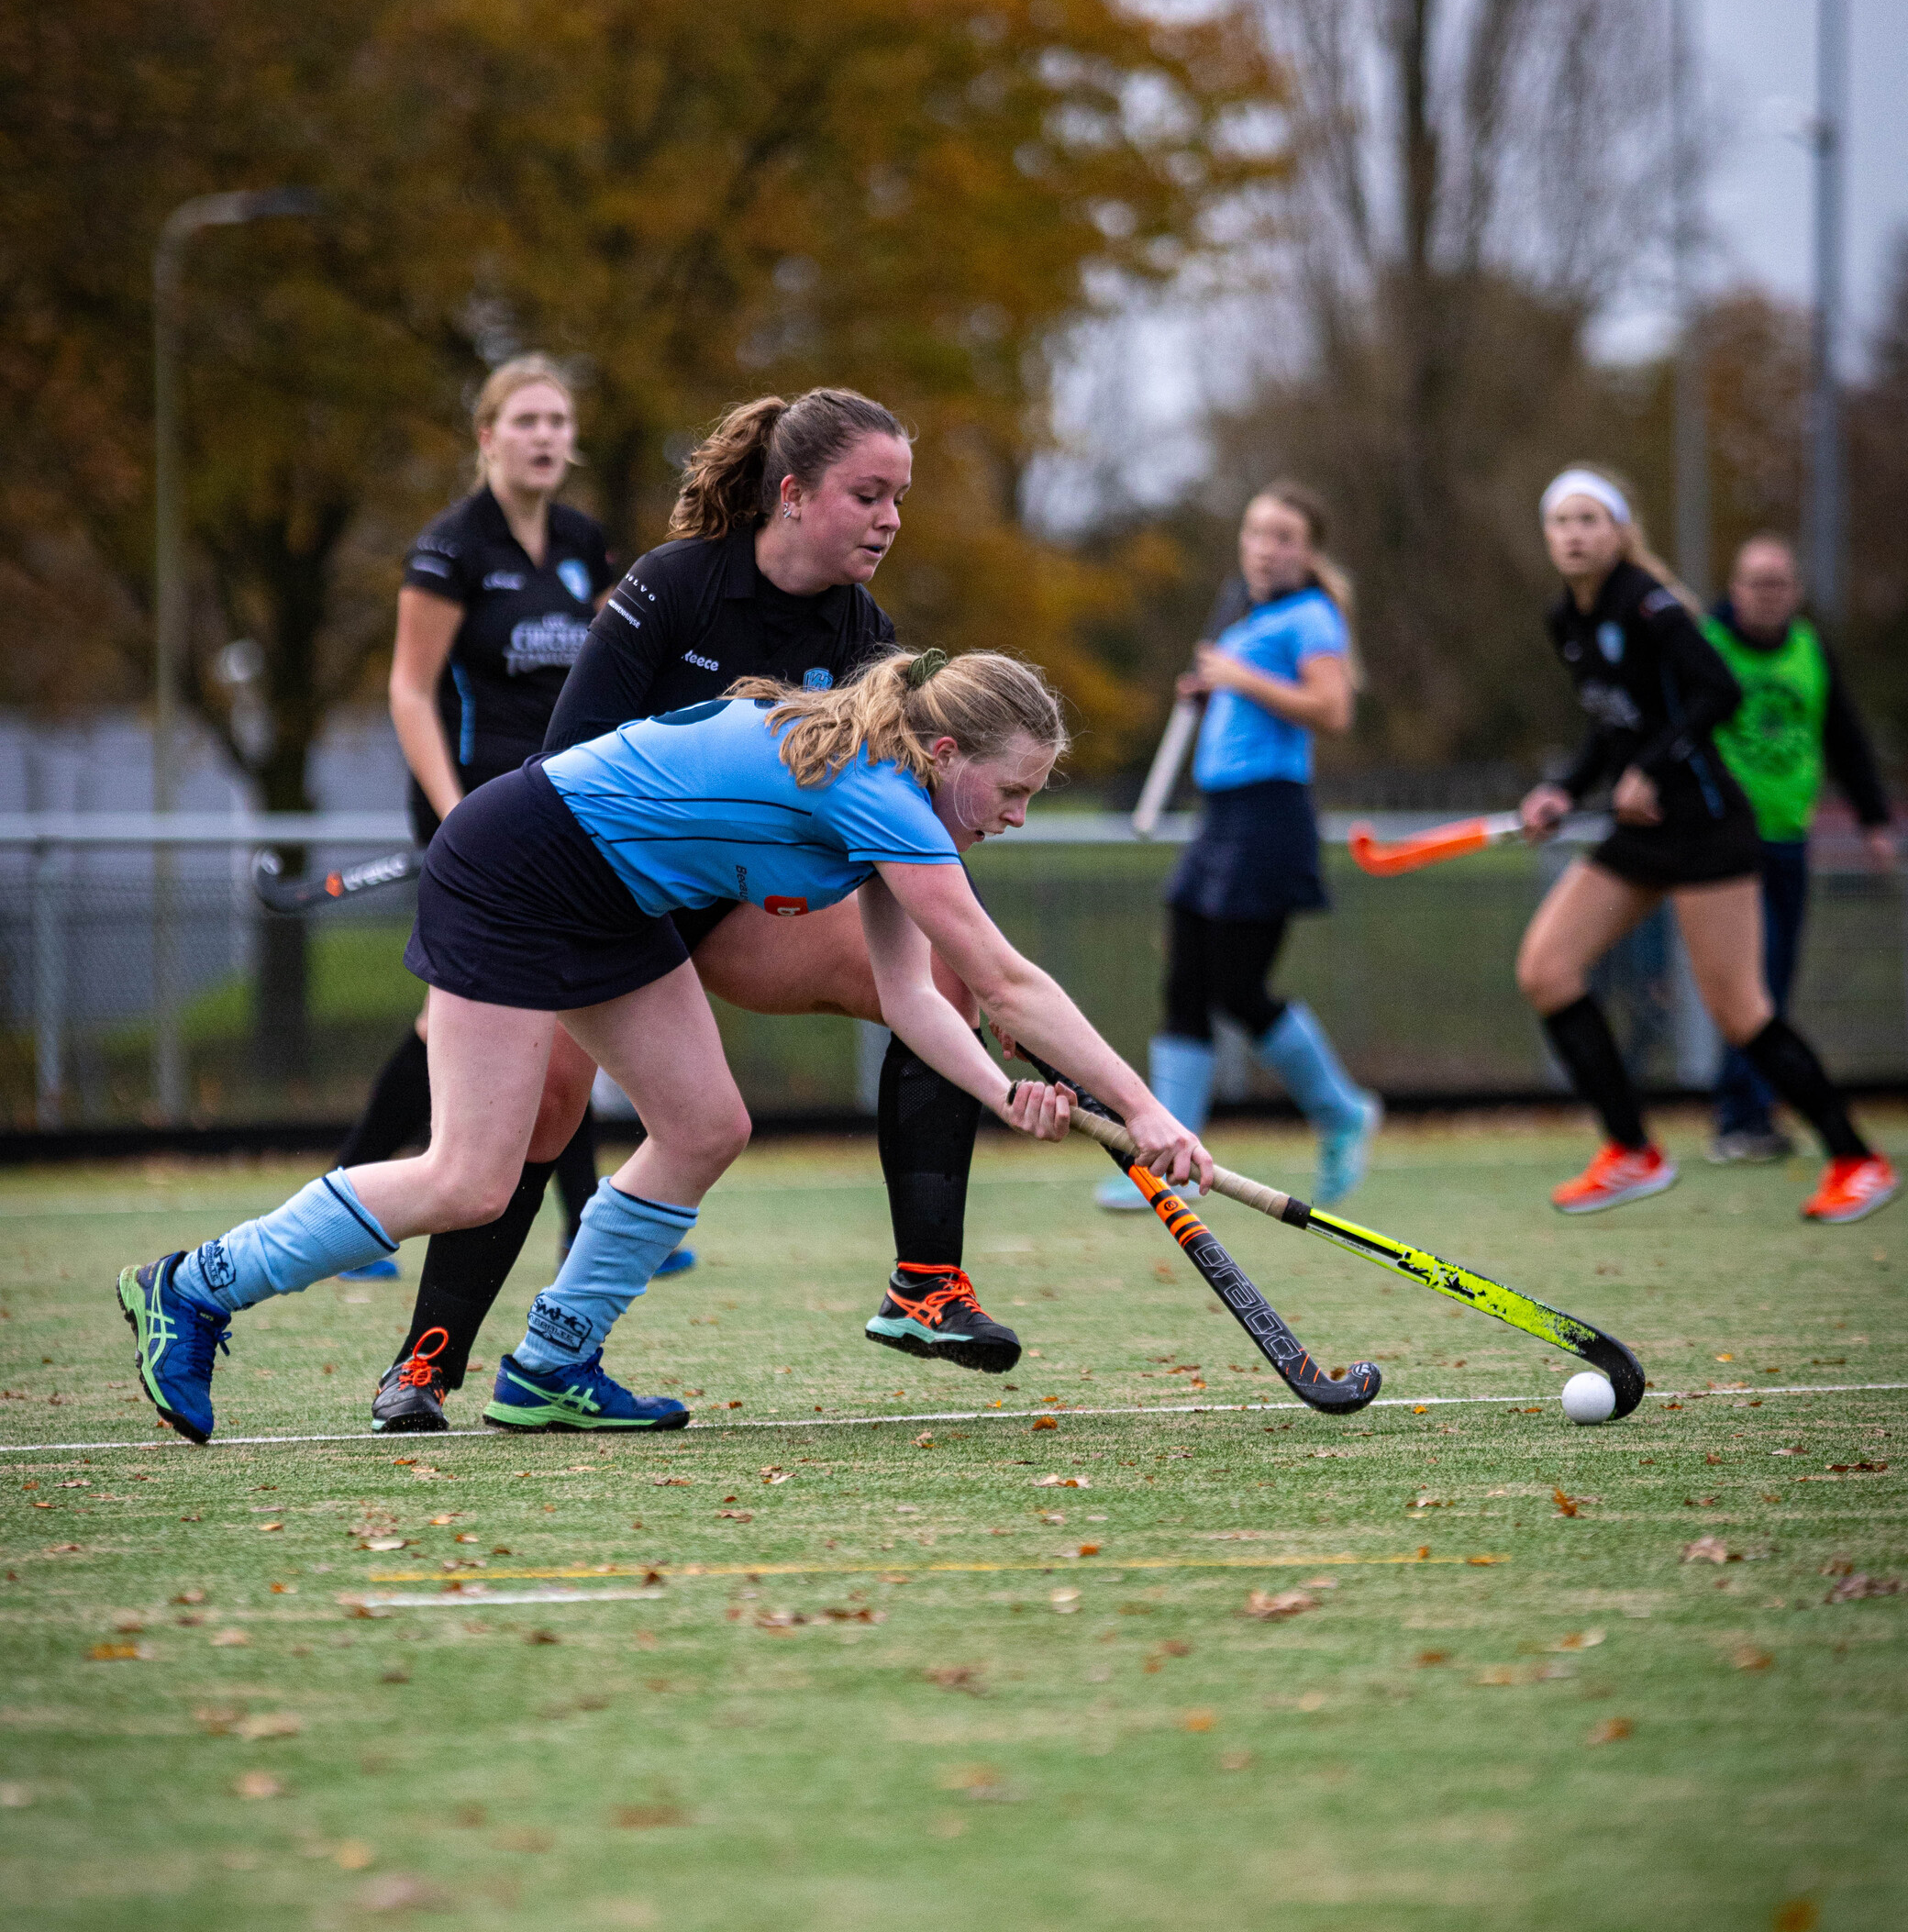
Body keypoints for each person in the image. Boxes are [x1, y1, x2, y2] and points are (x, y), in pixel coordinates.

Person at [116, 651, 1213, 1446]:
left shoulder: (893, 795)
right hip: (515, 875)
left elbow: (921, 996)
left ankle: (552, 1362)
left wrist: (995, 1087)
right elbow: (1009, 978)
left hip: (608, 900)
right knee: (469, 1176)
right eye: (1011, 790)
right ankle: (194, 1285)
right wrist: (1151, 1113)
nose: (1017, 815)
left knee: (702, 1127)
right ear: (942, 753)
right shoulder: (879, 786)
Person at [367, 387, 1026, 1439]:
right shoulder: (670, 587)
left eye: (901, 497)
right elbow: (570, 762)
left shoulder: (867, 632)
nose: (892, 519)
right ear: (795, 494)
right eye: (870, 494)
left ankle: (926, 1286)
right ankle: (425, 1367)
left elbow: (884, 811)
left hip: (726, 905)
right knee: (540, 1109)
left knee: (943, 981)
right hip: (602, 886)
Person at [1514, 467, 1897, 1225]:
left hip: (1707, 829)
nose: (1575, 534)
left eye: (1591, 519)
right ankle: (1632, 1150)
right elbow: (1611, 721)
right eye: (1562, 521)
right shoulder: (1568, 619)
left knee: (1741, 1013)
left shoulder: (1649, 605)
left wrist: (1653, 769)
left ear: (1620, 532)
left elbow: (1718, 689)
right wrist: (1566, 787)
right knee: (1546, 970)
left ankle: (1858, 1159)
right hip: (1640, 835)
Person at [330, 353, 627, 1281]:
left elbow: (617, 676)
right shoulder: (453, 546)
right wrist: (455, 816)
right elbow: (410, 691)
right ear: (487, 436)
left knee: (522, 1015)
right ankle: (577, 1220)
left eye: (558, 421)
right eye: (526, 420)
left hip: (561, 812)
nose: (546, 437)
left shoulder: (584, 543)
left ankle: (353, 1198)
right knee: (527, 1010)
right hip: (471, 815)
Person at [1097, 483, 1379, 1213]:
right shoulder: (1246, 614)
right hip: (1221, 815)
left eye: (1284, 535)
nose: (1265, 546)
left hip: (1269, 813)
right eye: (1256, 531)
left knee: (1236, 986)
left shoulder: (1311, 615)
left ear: (1308, 550)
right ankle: (1161, 1154)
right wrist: (1209, 691)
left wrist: (1238, 678)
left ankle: (1341, 1111)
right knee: (1187, 980)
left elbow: (1333, 708)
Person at [1702, 533, 1897, 1162]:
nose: (1767, 595)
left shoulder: (1810, 651)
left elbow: (1844, 735)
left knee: (1775, 980)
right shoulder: (1709, 644)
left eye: (1779, 583)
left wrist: (1873, 818)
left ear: (1796, 593)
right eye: (1756, 582)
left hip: (1790, 839)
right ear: (1735, 589)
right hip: (1726, 844)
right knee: (1746, 985)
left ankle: (1755, 1111)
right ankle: (1739, 1115)